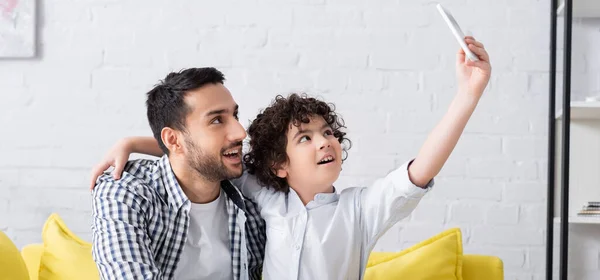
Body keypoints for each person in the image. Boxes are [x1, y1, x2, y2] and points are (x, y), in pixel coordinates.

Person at [91, 36, 491, 279]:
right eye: (304, 137)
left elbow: (418, 171)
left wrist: (467, 96)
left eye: (328, 133)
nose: (324, 142)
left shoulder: (353, 210)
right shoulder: (258, 196)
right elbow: (206, 154)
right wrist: (138, 143)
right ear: (279, 165)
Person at [90, 67, 266, 280]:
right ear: (173, 140)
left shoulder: (249, 192)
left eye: (234, 115)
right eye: (217, 120)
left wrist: (131, 142)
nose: (240, 132)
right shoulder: (125, 192)